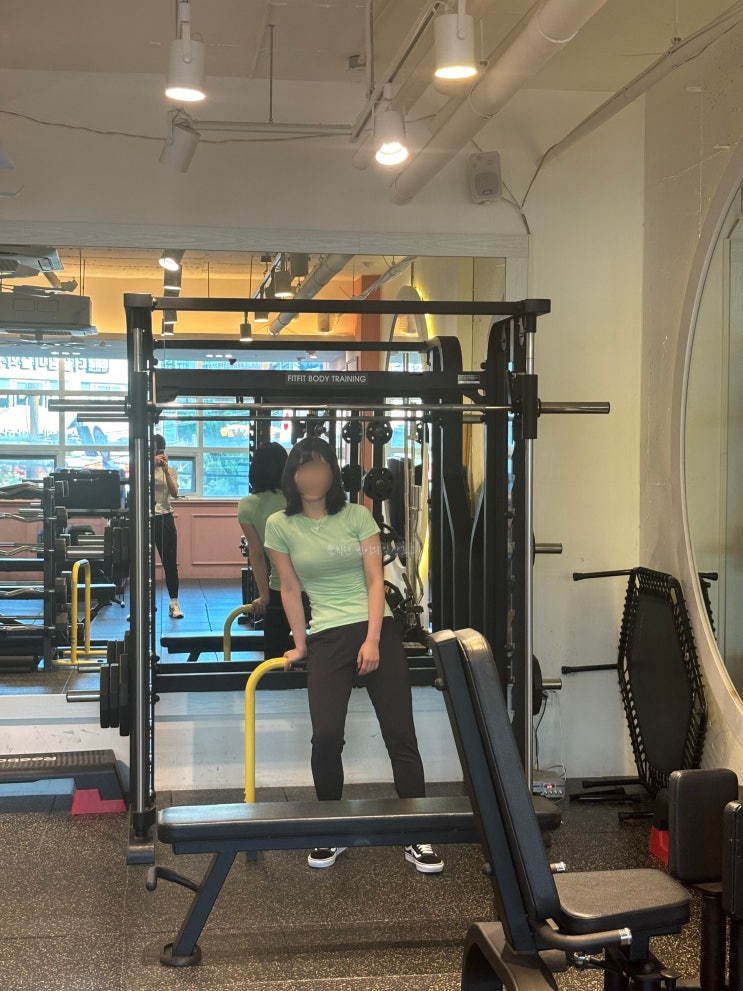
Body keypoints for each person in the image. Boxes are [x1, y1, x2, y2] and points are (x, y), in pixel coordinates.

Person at [264, 437, 443, 874]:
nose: (312, 476)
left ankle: (417, 834)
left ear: (333, 473)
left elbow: (375, 580)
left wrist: (373, 639)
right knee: (326, 737)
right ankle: (331, 829)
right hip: (326, 636)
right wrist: (300, 643)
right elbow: (290, 588)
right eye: (303, 468)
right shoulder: (279, 525)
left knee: (400, 734)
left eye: (320, 467)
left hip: (374, 628)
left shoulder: (358, 516)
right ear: (292, 475)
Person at [237, 442, 292, 660]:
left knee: (274, 656)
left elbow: (257, 554)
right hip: (316, 585)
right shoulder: (302, 499)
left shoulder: (246, 505)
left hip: (280, 586)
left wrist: (264, 596)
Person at [152, 434, 183, 619]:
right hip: (146, 519)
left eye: (158, 450)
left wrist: (164, 470)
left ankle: (174, 603)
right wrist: (150, 466)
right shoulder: (141, 470)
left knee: (170, 563)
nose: (156, 453)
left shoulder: (170, 470)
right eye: (153, 450)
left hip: (164, 518)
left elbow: (175, 493)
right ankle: (143, 604)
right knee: (142, 565)